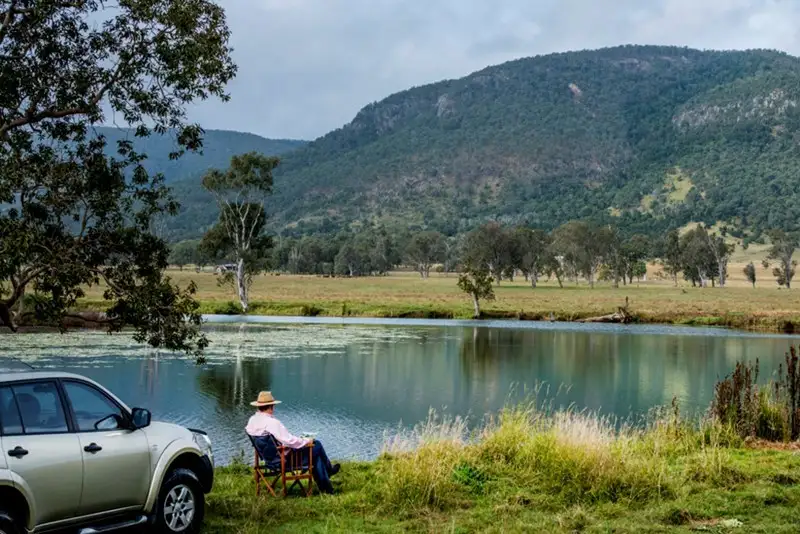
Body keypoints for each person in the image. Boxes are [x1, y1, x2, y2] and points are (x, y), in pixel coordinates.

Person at [245, 391, 340, 494]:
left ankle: (327, 488)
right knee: (317, 445)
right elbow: (289, 440)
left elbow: (276, 441)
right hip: (283, 460)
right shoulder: (272, 423)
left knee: (315, 456)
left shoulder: (252, 420)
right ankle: (329, 474)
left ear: (259, 407)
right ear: (271, 406)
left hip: (269, 459)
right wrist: (306, 441)